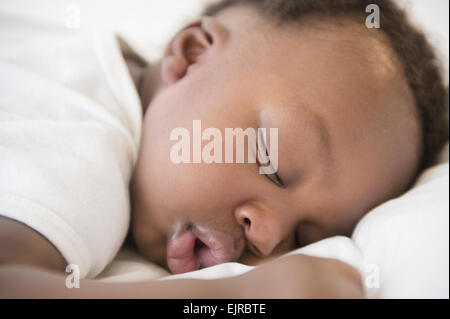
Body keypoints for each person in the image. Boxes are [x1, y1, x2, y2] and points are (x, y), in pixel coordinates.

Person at [0, 0, 448, 298]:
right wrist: (236, 297)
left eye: (304, 238)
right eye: (273, 166)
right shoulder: (81, 128)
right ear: (193, 54)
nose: (269, 237)